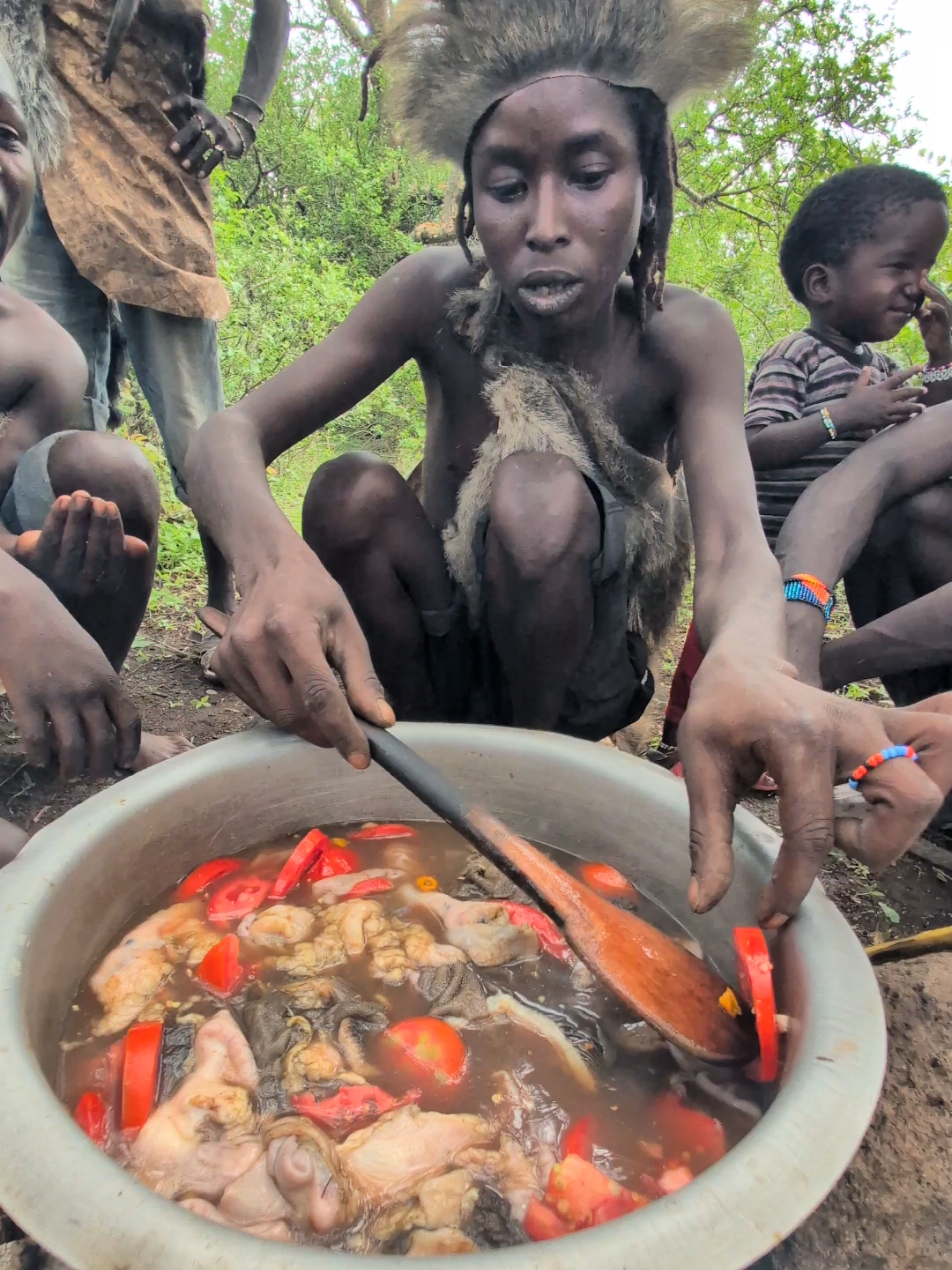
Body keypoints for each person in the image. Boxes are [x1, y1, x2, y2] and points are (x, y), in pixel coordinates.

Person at [187, 0, 952, 928]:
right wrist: (270, 562)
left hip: (579, 677)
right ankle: (416, 752)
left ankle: (527, 785)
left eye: (589, 176)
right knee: (348, 489)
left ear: (650, 184)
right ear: (472, 200)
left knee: (537, 495)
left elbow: (734, 539)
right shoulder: (435, 293)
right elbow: (223, 436)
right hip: (439, 657)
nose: (546, 222)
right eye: (508, 186)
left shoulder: (685, 335)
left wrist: (752, 655)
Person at [0, 0, 290, 635]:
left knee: (196, 422)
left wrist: (242, 120)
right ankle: (63, 621)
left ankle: (236, 600)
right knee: (64, 433)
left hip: (153, 152)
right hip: (45, 147)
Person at [659, 164, 952, 760]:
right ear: (822, 284)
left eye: (924, 271)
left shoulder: (875, 364)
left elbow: (932, 440)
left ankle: (760, 745)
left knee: (780, 653)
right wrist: (841, 418)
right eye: (899, 267)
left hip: (823, 554)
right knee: (724, 646)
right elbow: (752, 441)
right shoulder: (796, 355)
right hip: (760, 546)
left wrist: (943, 358)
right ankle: (684, 742)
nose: (916, 287)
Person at [0, 53, 186, 862]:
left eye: (2, 136)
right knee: (18, 870)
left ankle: (89, 722)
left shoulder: (40, 350)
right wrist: (10, 595)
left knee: (110, 477)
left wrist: (40, 567)